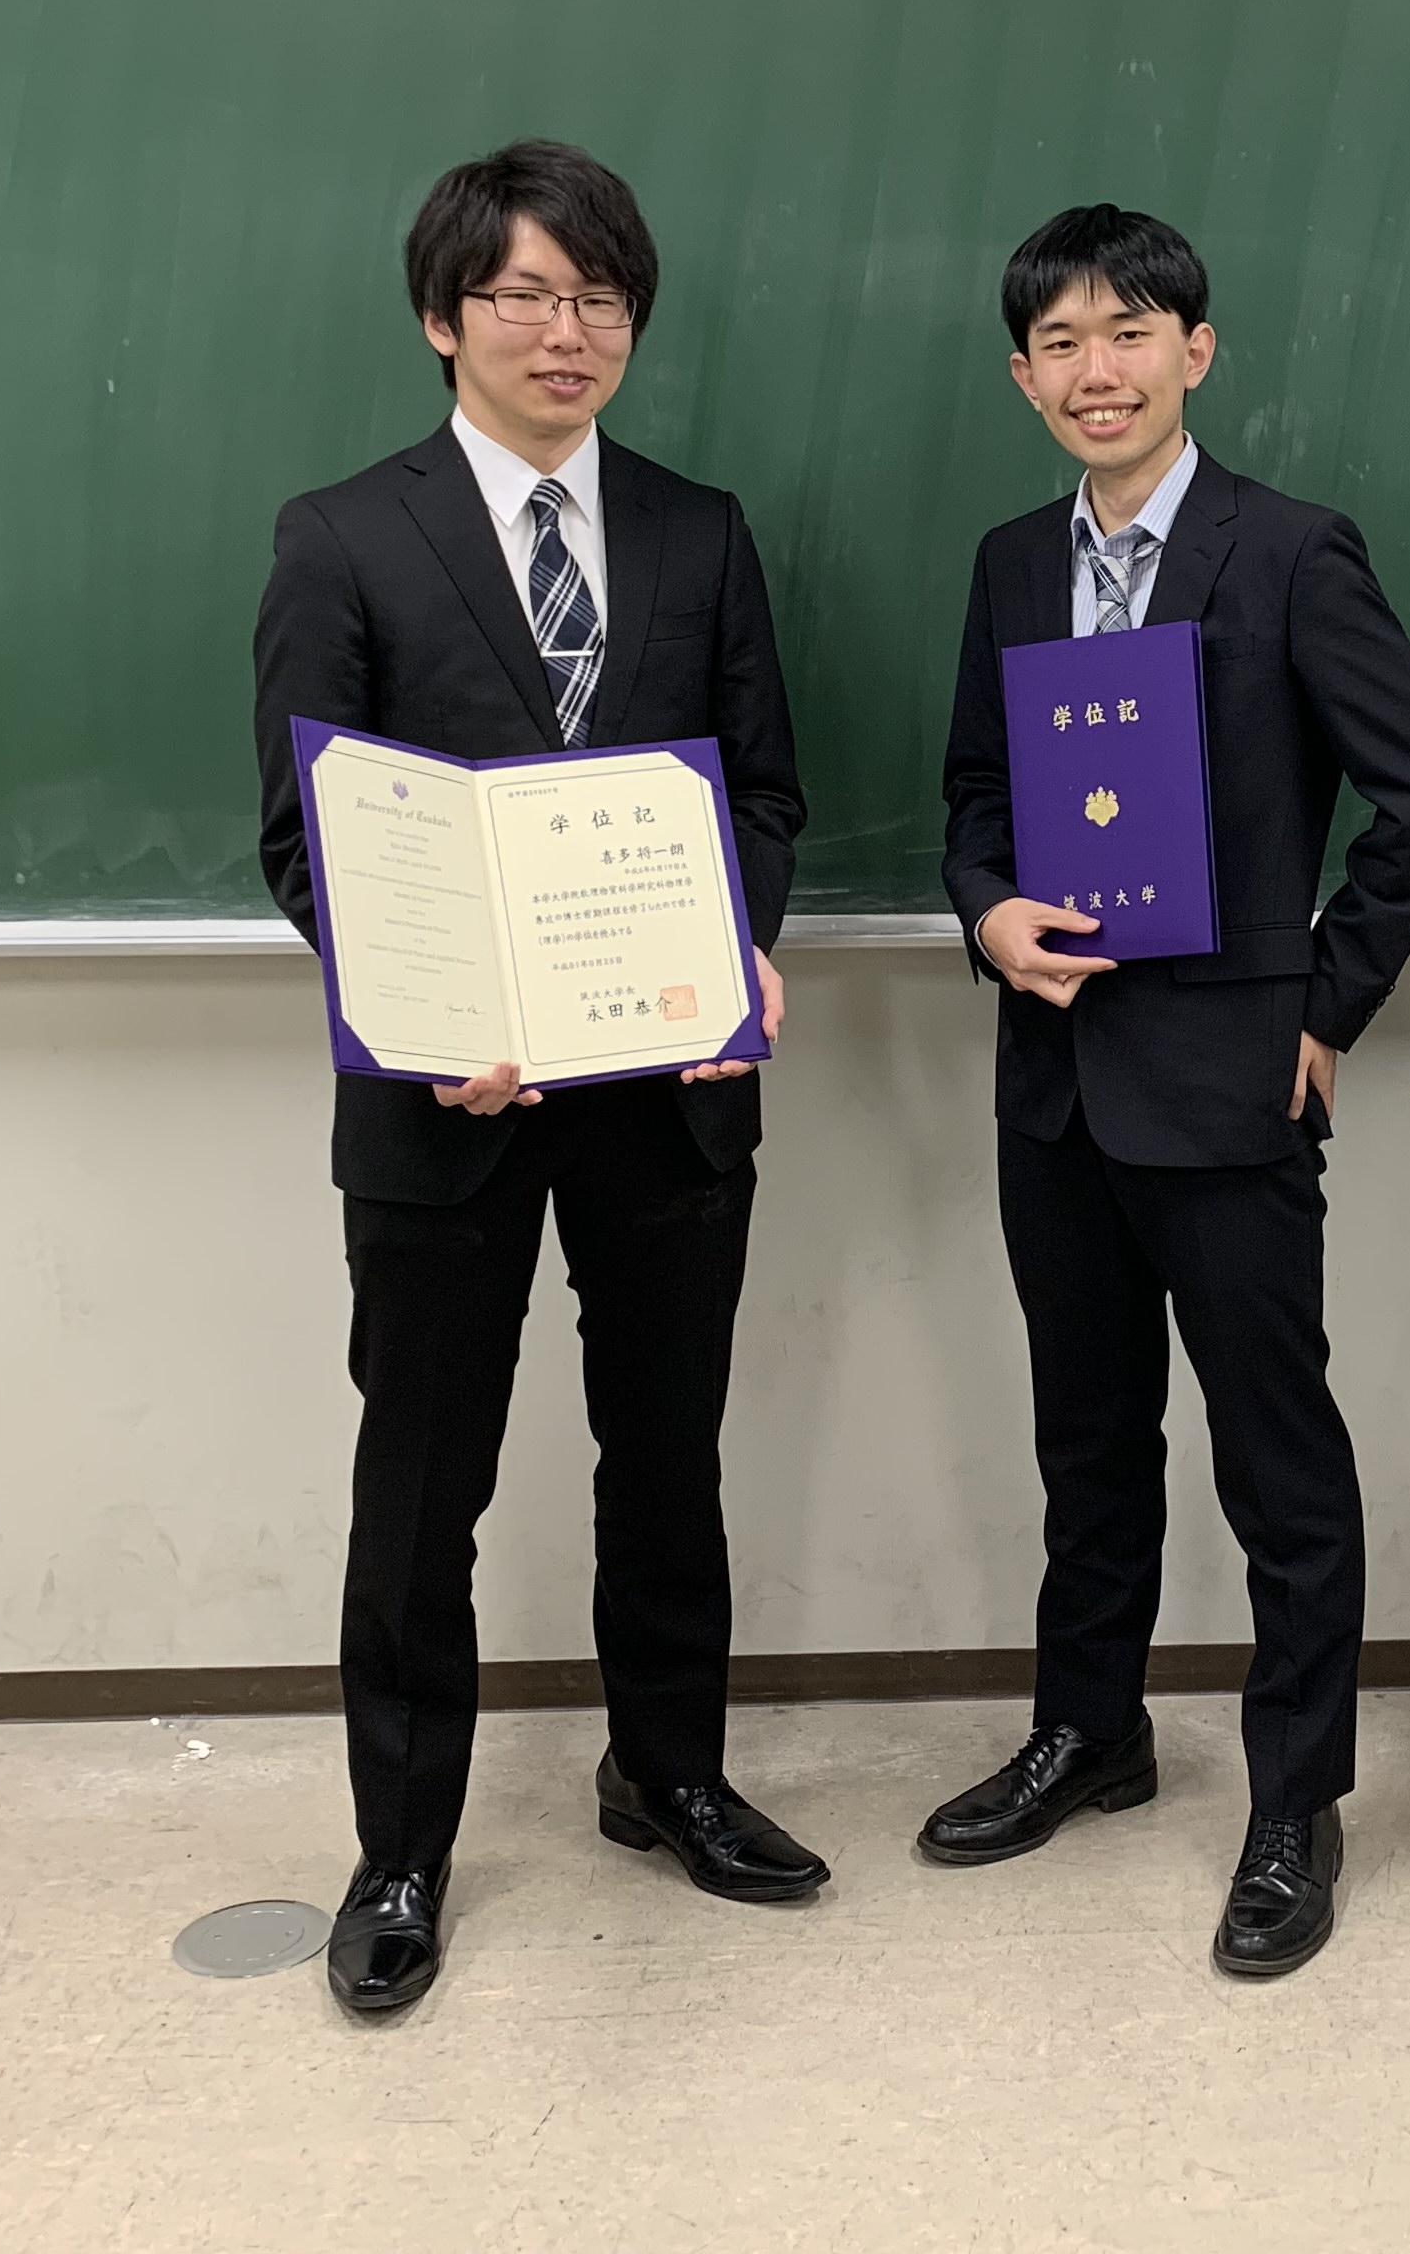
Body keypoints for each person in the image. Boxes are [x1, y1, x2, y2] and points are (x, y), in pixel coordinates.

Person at [253, 138, 818, 2020]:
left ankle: (668, 1775)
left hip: (670, 1085)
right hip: (446, 1105)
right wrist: (428, 1025)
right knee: (425, 1481)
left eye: (599, 297)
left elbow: (763, 793)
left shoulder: (698, 530)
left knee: (667, 1458)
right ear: (445, 316)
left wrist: (739, 945)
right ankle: (402, 1845)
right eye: (523, 295)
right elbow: (308, 836)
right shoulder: (343, 536)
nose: (565, 330)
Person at [919, 203, 1410, 1978]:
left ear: (1195, 351)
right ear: (1025, 377)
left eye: (1131, 332)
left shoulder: (1290, 551)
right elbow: (973, 793)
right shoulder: (1013, 563)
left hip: (1231, 1082)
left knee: (1274, 1457)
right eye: (1062, 344)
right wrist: (988, 911)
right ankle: (1093, 1732)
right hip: (1055, 1084)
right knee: (1087, 1442)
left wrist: (1327, 1004)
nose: (1099, 369)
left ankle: (1297, 1802)